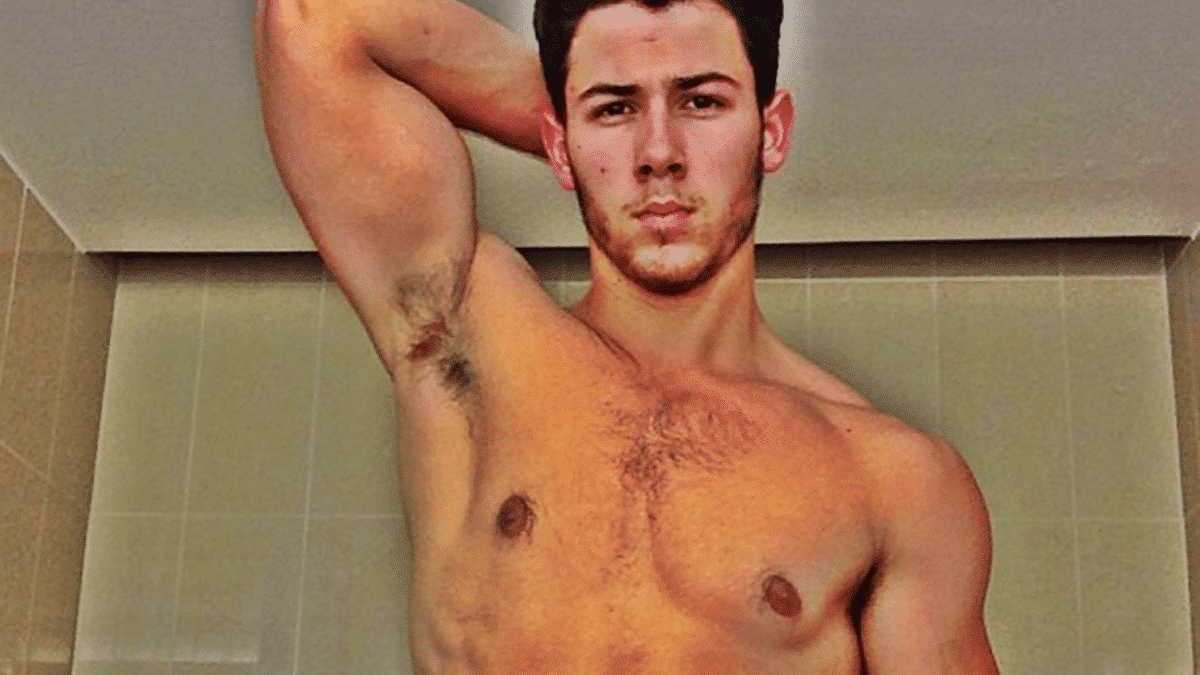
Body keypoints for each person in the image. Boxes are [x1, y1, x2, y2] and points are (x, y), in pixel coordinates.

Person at [254, 0, 999, 671]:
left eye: (702, 102)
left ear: (771, 132)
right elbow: (313, 17)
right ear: (557, 145)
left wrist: (604, 110)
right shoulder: (470, 338)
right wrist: (582, 108)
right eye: (615, 109)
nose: (658, 153)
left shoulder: (893, 479)